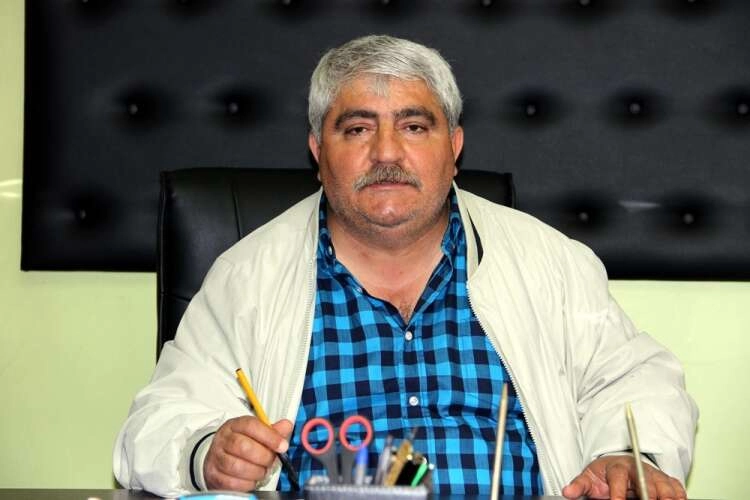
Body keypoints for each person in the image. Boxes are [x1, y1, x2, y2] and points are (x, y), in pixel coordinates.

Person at [113, 35, 698, 500]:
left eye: (414, 127)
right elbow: (155, 423)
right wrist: (205, 454)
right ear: (318, 151)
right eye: (358, 129)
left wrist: (627, 455)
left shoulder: (548, 261)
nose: (387, 153)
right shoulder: (247, 277)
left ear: (454, 147)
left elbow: (633, 379)